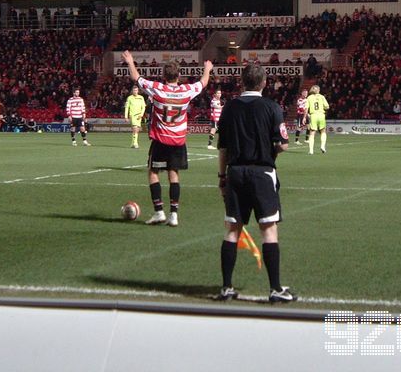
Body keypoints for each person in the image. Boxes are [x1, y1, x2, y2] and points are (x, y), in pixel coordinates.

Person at [215, 62, 295, 303]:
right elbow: (282, 144)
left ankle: (226, 287)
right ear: (263, 82)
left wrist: (221, 177)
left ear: (242, 81)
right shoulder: (272, 107)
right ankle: (275, 289)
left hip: (235, 173)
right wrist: (269, 151)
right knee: (268, 230)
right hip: (262, 173)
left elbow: (223, 148)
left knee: (232, 230)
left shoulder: (229, 108)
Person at [122, 50, 213, 226]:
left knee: (153, 173)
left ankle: (159, 212)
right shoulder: (186, 90)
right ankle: (174, 215)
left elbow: (136, 77)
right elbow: (203, 83)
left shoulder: (157, 89)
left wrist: (131, 61)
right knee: (174, 174)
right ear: (178, 76)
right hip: (178, 140)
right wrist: (207, 68)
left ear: (164, 76)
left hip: (160, 140)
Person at [305, 85, 329, 154]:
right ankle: (322, 146)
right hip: (321, 115)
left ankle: (311, 150)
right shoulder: (322, 97)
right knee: (323, 131)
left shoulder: (309, 97)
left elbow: (306, 108)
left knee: (312, 133)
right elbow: (327, 106)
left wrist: (304, 117)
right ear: (319, 90)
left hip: (313, 115)